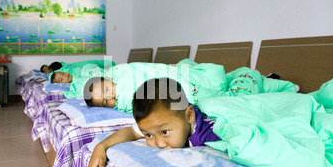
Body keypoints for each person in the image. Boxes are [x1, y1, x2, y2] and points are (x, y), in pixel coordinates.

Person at [86, 78, 221, 167]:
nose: (159, 144)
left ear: (189, 116)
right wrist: (101, 146)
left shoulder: (208, 136)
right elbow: (131, 132)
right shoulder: (163, 119)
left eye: (165, 132)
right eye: (149, 135)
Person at [83, 60, 228, 113]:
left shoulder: (122, 72)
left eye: (106, 90)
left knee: (187, 77)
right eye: (106, 102)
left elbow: (146, 69)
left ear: (108, 78)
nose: (111, 97)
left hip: (167, 77)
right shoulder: (124, 104)